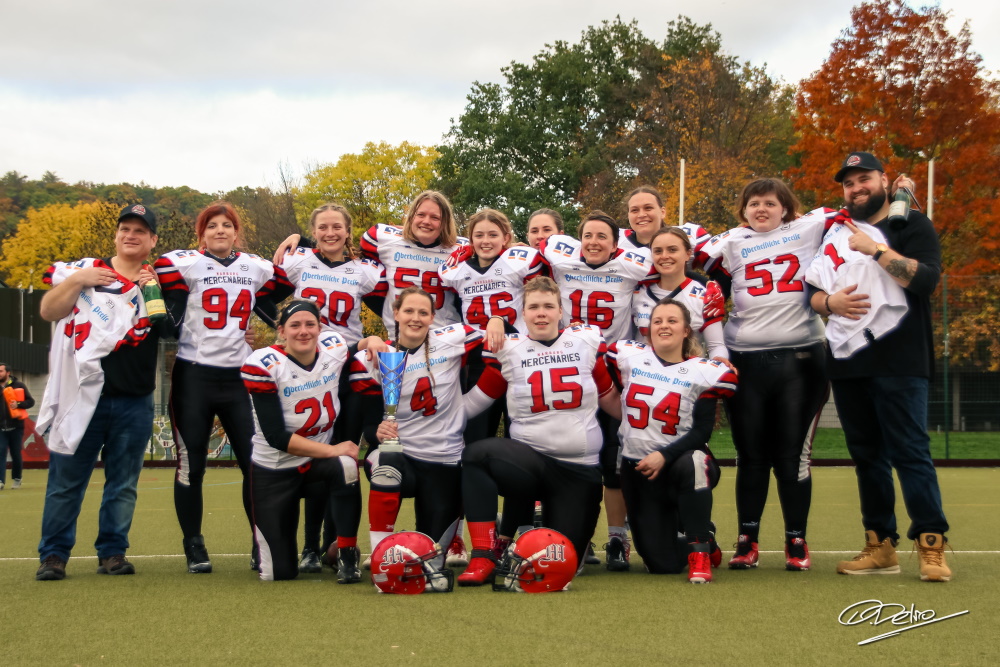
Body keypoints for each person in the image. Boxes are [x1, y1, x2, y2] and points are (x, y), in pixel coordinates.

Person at [808, 152, 951, 582]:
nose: (856, 189)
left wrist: (878, 250)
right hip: (849, 362)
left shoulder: (912, 225)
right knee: (867, 457)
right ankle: (880, 545)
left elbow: (925, 281)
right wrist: (829, 303)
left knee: (910, 452)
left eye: (864, 179)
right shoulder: (835, 234)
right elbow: (811, 295)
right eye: (849, 183)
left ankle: (931, 545)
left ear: (884, 181)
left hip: (901, 362)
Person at [155, 201, 294, 573]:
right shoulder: (185, 262)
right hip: (194, 374)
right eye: (211, 225)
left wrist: (262, 320)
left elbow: (283, 286)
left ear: (236, 231)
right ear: (201, 233)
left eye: (226, 225)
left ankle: (259, 540)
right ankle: (193, 544)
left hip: (239, 376)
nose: (219, 230)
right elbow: (156, 277)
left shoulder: (255, 266)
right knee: (191, 464)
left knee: (255, 463)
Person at [702, 179, 832, 571]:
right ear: (743, 210)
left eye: (770, 203)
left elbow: (854, 215)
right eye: (753, 203)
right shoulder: (730, 243)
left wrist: (897, 193)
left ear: (786, 208)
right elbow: (706, 291)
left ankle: (796, 539)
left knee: (793, 458)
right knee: (751, 455)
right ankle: (747, 539)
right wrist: (717, 351)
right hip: (746, 361)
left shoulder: (809, 228)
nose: (761, 209)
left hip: (802, 359)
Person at [456, 276, 621, 585]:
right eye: (533, 307)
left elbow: (610, 396)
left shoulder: (585, 341)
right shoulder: (509, 348)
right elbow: (476, 400)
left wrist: (644, 424)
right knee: (477, 455)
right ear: (523, 312)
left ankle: (518, 534)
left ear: (561, 311)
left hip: (578, 470)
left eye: (548, 306)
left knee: (565, 560)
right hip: (527, 463)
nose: (541, 313)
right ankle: (485, 553)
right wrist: (418, 421)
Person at [35, 204, 164, 580]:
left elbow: (174, 328)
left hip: (133, 398)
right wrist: (78, 281)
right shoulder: (87, 271)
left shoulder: (157, 284)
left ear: (152, 240)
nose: (131, 235)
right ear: (116, 235)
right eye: (125, 228)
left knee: (123, 484)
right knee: (65, 482)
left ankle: (112, 552)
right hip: (80, 395)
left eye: (140, 231)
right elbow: (48, 311)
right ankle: (54, 555)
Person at [540, 211, 657, 571]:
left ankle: (617, 537)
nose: (593, 242)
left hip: (611, 367)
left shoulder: (632, 265)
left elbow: (673, 263)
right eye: (588, 235)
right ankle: (573, 533)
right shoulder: (559, 257)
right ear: (577, 239)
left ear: (616, 242)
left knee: (611, 459)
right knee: (566, 449)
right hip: (568, 366)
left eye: (602, 236)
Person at [348, 287, 496, 570]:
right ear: (396, 313)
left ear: (432, 317)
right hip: (402, 458)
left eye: (423, 312)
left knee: (432, 559)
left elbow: (500, 351)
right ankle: (381, 555)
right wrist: (376, 433)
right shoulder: (376, 357)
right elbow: (368, 422)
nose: (415, 318)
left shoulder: (452, 339)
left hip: (445, 459)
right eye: (409, 311)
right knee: (384, 462)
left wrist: (497, 321)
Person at [277, 202, 387, 572]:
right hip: (307, 363)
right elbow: (262, 296)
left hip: (348, 364)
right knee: (318, 451)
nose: (329, 233)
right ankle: (309, 546)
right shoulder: (299, 261)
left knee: (343, 453)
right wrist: (284, 337)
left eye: (336, 227)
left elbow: (391, 299)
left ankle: (337, 545)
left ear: (347, 231)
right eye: (321, 227)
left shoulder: (364, 270)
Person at [241, 300, 376, 582]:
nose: (303, 331)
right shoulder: (264, 364)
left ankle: (345, 553)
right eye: (295, 325)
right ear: (281, 331)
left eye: (310, 324)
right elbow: (277, 437)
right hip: (275, 470)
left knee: (346, 465)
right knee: (279, 574)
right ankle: (271, 547)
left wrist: (371, 339)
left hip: (316, 466)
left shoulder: (333, 348)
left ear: (320, 328)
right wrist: (331, 448)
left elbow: (356, 348)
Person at [607, 299, 737, 582]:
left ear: (687, 331)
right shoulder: (628, 356)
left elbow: (701, 432)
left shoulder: (703, 371)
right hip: (638, 469)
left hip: (679, 463)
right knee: (660, 564)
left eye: (672, 321)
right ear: (648, 329)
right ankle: (707, 539)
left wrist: (664, 455)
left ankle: (700, 550)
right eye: (657, 321)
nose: (663, 326)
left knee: (696, 461)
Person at [632, 227, 727, 361]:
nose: (664, 256)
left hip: (686, 376)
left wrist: (719, 361)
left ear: (688, 254)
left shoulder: (706, 295)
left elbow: (716, 346)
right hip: (642, 374)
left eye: (672, 250)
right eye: (658, 251)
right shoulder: (637, 291)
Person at [0, 362, 35, 490]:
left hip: (16, 427)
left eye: (1, 371)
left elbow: (31, 401)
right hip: (1, 428)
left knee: (16, 454)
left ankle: (17, 479)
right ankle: (0, 481)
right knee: (0, 452)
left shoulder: (19, 385)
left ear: (8, 372)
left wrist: (19, 404)